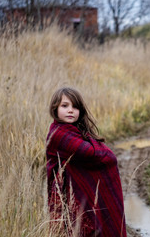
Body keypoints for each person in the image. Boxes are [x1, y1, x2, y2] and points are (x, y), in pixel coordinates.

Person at [46, 87, 126, 237]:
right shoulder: (59, 135)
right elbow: (91, 153)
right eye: (65, 106)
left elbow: (99, 155)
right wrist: (103, 151)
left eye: (75, 107)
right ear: (55, 109)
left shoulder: (76, 130)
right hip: (69, 198)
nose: (70, 110)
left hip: (78, 196)